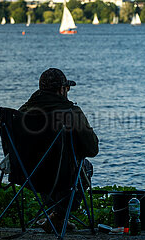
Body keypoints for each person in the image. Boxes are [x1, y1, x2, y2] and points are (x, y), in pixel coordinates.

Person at [19, 68, 99, 232]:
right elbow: (92, 149)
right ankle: (59, 217)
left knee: (45, 167)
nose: (67, 92)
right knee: (85, 167)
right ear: (61, 89)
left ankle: (54, 216)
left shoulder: (20, 114)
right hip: (59, 176)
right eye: (67, 88)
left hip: (26, 174)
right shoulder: (71, 113)